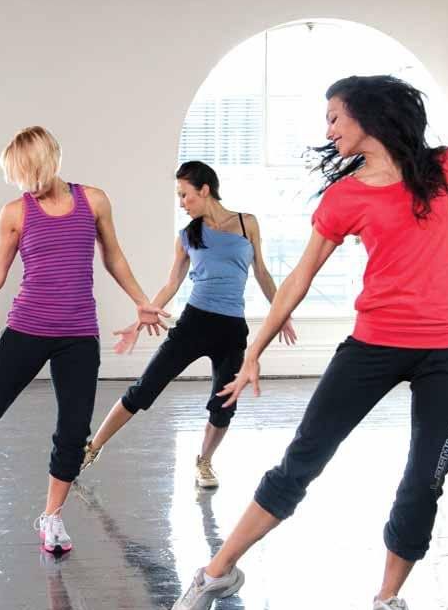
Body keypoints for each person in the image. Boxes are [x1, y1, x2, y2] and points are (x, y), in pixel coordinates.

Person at [166, 75, 448, 610]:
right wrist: (254, 353)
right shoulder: (346, 197)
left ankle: (387, 601)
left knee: (426, 480)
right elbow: (299, 276)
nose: (328, 130)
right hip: (374, 345)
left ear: (368, 115)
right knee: (300, 463)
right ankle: (216, 572)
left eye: (334, 117)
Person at [0, 126, 167, 555]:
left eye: (31, 174)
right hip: (26, 330)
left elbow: (113, 255)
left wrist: (141, 301)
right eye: (19, 177)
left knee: (73, 430)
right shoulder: (15, 213)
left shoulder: (94, 201)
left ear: (50, 161)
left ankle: (52, 516)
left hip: (78, 334)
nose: (27, 184)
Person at [80, 161, 297, 490]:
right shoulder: (186, 236)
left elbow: (263, 273)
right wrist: (140, 319)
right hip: (194, 324)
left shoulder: (247, 223)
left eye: (185, 195)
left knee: (224, 405)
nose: (182, 203)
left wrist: (282, 312)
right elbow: (171, 284)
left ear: (204, 190)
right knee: (143, 390)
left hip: (231, 330)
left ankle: (204, 462)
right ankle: (93, 447)